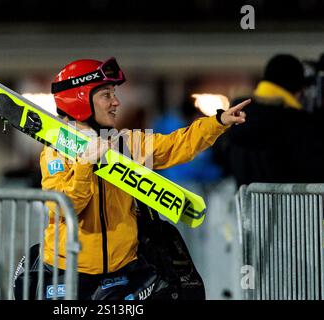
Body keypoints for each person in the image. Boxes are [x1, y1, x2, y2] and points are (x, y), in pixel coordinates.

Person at [14, 58, 249, 300]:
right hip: (68, 272)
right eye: (106, 95)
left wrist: (218, 123)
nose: (116, 102)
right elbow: (65, 207)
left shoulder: (125, 143)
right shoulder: (56, 151)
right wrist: (86, 164)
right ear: (81, 99)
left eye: (114, 93)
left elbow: (176, 145)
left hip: (123, 270)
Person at [221, 54, 324, 187]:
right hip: (291, 206)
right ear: (297, 89)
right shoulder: (297, 122)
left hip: (248, 206)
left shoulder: (235, 116)